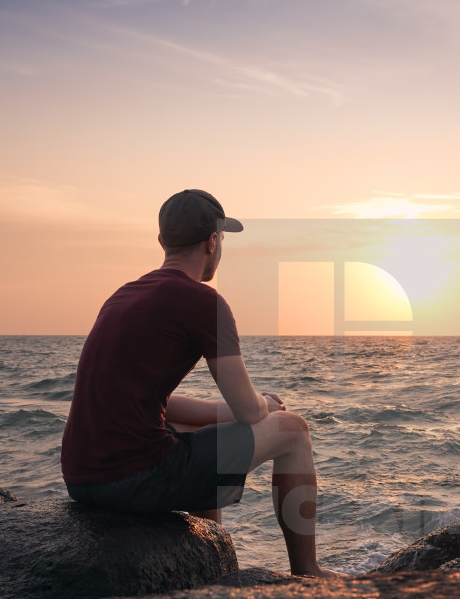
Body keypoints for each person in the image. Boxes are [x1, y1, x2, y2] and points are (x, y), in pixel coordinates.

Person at [60, 189, 342, 578]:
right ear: (213, 242)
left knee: (197, 433)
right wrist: (266, 406)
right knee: (294, 431)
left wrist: (227, 415)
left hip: (82, 479)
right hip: (133, 480)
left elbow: (160, 404)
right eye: (222, 240)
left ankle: (213, 562)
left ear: (162, 241)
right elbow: (248, 409)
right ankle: (308, 571)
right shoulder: (203, 301)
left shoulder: (123, 296)